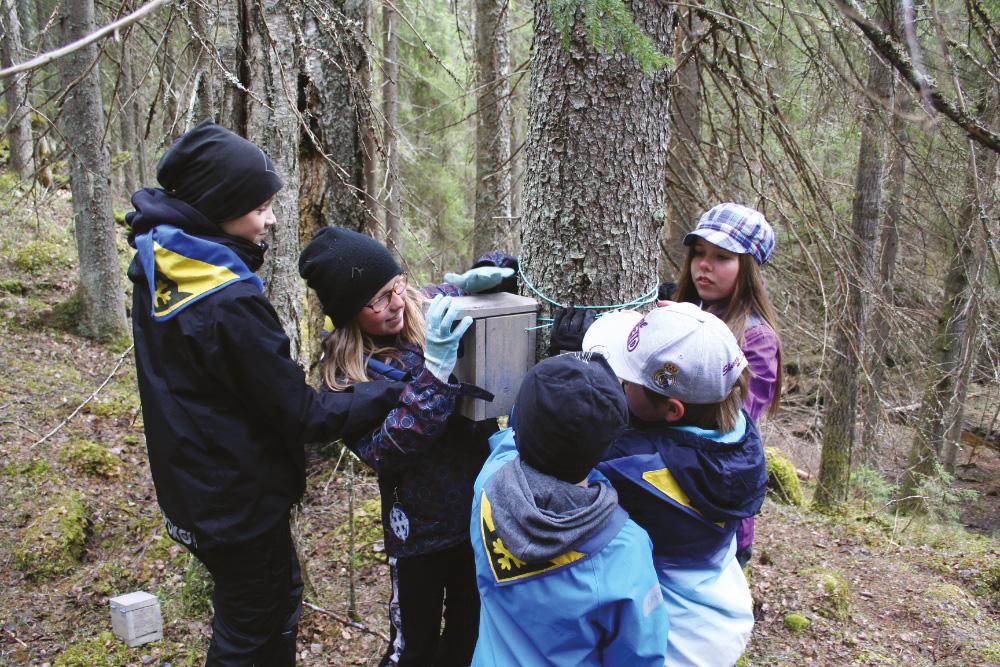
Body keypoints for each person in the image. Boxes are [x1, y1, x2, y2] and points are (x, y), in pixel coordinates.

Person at [126, 120, 404, 666]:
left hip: (193, 488)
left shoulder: (162, 264)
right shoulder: (225, 301)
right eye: (259, 207)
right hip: (236, 504)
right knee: (261, 623)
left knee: (244, 618)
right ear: (220, 206)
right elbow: (302, 414)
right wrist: (390, 391)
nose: (271, 218)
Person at [298, 227, 515, 667]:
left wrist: (494, 271)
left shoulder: (421, 306)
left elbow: (465, 285)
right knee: (412, 647)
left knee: (469, 633)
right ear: (347, 312)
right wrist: (434, 373)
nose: (396, 302)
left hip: (476, 512)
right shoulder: (346, 377)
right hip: (417, 531)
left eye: (395, 285)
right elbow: (387, 449)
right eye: (376, 299)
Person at [584, 303, 768, 667]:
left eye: (626, 380)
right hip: (717, 618)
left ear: (672, 411)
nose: (617, 381)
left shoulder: (632, 466)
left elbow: (550, 447)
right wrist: (686, 327)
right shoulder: (738, 432)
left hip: (670, 643)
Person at [469, 353, 669, 666]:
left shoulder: (488, 484)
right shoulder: (624, 547)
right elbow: (639, 654)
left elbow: (515, 436)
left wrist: (559, 370)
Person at [669, 202, 782, 567]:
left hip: (716, 517)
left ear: (747, 267)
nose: (704, 265)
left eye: (722, 257)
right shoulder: (683, 310)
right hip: (666, 497)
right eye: (699, 253)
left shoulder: (757, 339)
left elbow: (730, 425)